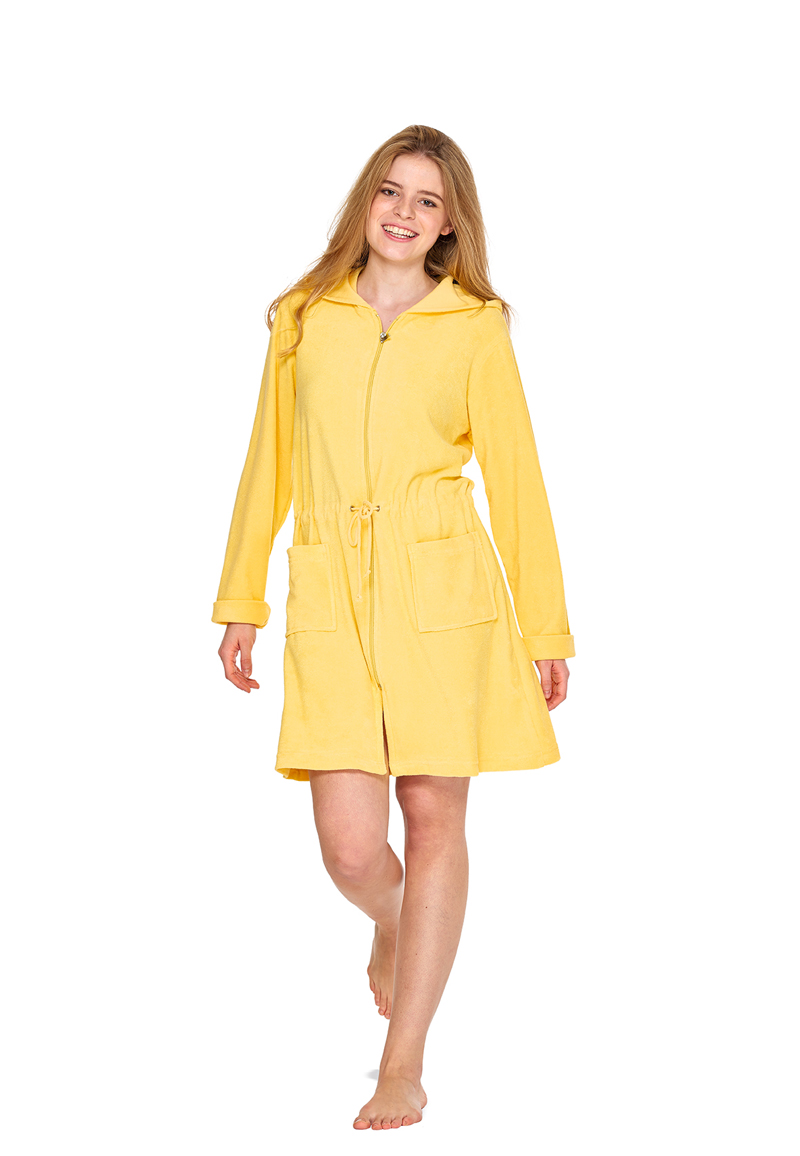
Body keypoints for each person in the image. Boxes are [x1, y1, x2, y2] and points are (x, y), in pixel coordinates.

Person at [211, 124, 574, 1130]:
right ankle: (394, 918)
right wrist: (240, 599)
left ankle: (402, 1064)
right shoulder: (304, 317)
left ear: (449, 223)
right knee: (348, 848)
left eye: (426, 199)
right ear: (365, 200)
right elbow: (267, 463)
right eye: (390, 190)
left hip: (442, 594)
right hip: (332, 590)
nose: (404, 212)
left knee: (434, 816)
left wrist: (545, 628)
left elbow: (518, 479)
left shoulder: (474, 326)